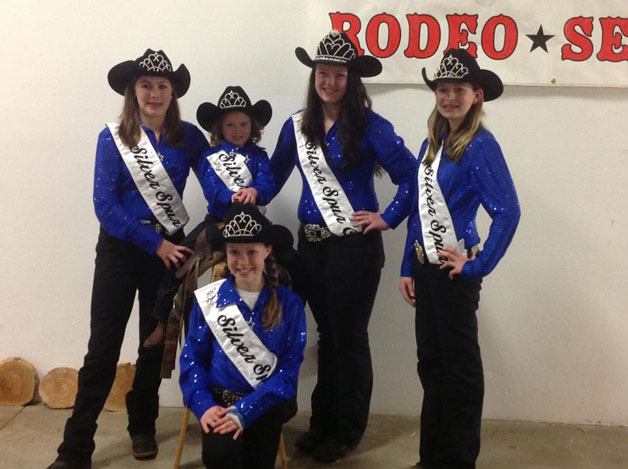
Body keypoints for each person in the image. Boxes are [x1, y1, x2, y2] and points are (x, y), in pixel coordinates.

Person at [48, 49, 208, 469]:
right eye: (146, 85)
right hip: (122, 251)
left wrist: (242, 197)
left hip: (167, 253)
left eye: (162, 86)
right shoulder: (114, 137)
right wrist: (153, 243)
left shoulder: (188, 137)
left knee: (151, 346)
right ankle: (75, 448)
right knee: (102, 349)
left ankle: (143, 425)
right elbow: (105, 204)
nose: (154, 94)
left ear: (173, 92)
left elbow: (216, 180)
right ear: (132, 91)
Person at [270, 30, 416, 463]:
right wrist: (239, 185)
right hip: (309, 246)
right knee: (328, 336)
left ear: (351, 79)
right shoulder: (296, 126)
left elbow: (411, 176)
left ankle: (347, 430)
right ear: (314, 76)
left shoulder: (372, 127)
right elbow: (272, 176)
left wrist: (387, 217)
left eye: (338, 74)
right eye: (322, 73)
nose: (329, 81)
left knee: (349, 339)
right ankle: (321, 423)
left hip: (354, 249)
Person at [399, 49, 521, 469]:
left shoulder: (481, 146)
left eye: (458, 90)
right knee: (431, 367)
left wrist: (476, 265)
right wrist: (405, 266)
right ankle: (431, 457)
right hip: (424, 268)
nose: (449, 97)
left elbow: (508, 211)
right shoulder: (432, 143)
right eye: (443, 89)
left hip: (454, 273)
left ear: (476, 96)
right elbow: (419, 208)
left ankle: (458, 460)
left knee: (461, 374)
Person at [145, 85, 275, 348]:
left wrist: (255, 190)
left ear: (253, 127)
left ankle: (275, 317)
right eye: (230, 124)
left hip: (254, 225)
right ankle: (161, 320)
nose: (237, 130)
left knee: (286, 254)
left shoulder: (259, 157)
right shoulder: (209, 157)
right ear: (219, 128)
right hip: (218, 220)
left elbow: (269, 184)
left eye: (243, 124)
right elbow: (212, 189)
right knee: (178, 261)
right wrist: (230, 197)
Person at [179, 203, 306, 469]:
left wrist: (244, 412)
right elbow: (193, 360)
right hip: (218, 405)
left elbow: (289, 369)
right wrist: (204, 406)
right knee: (220, 457)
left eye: (252, 251)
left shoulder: (289, 303)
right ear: (224, 254)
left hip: (265, 403)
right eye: (234, 252)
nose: (243, 261)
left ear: (267, 250)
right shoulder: (208, 301)